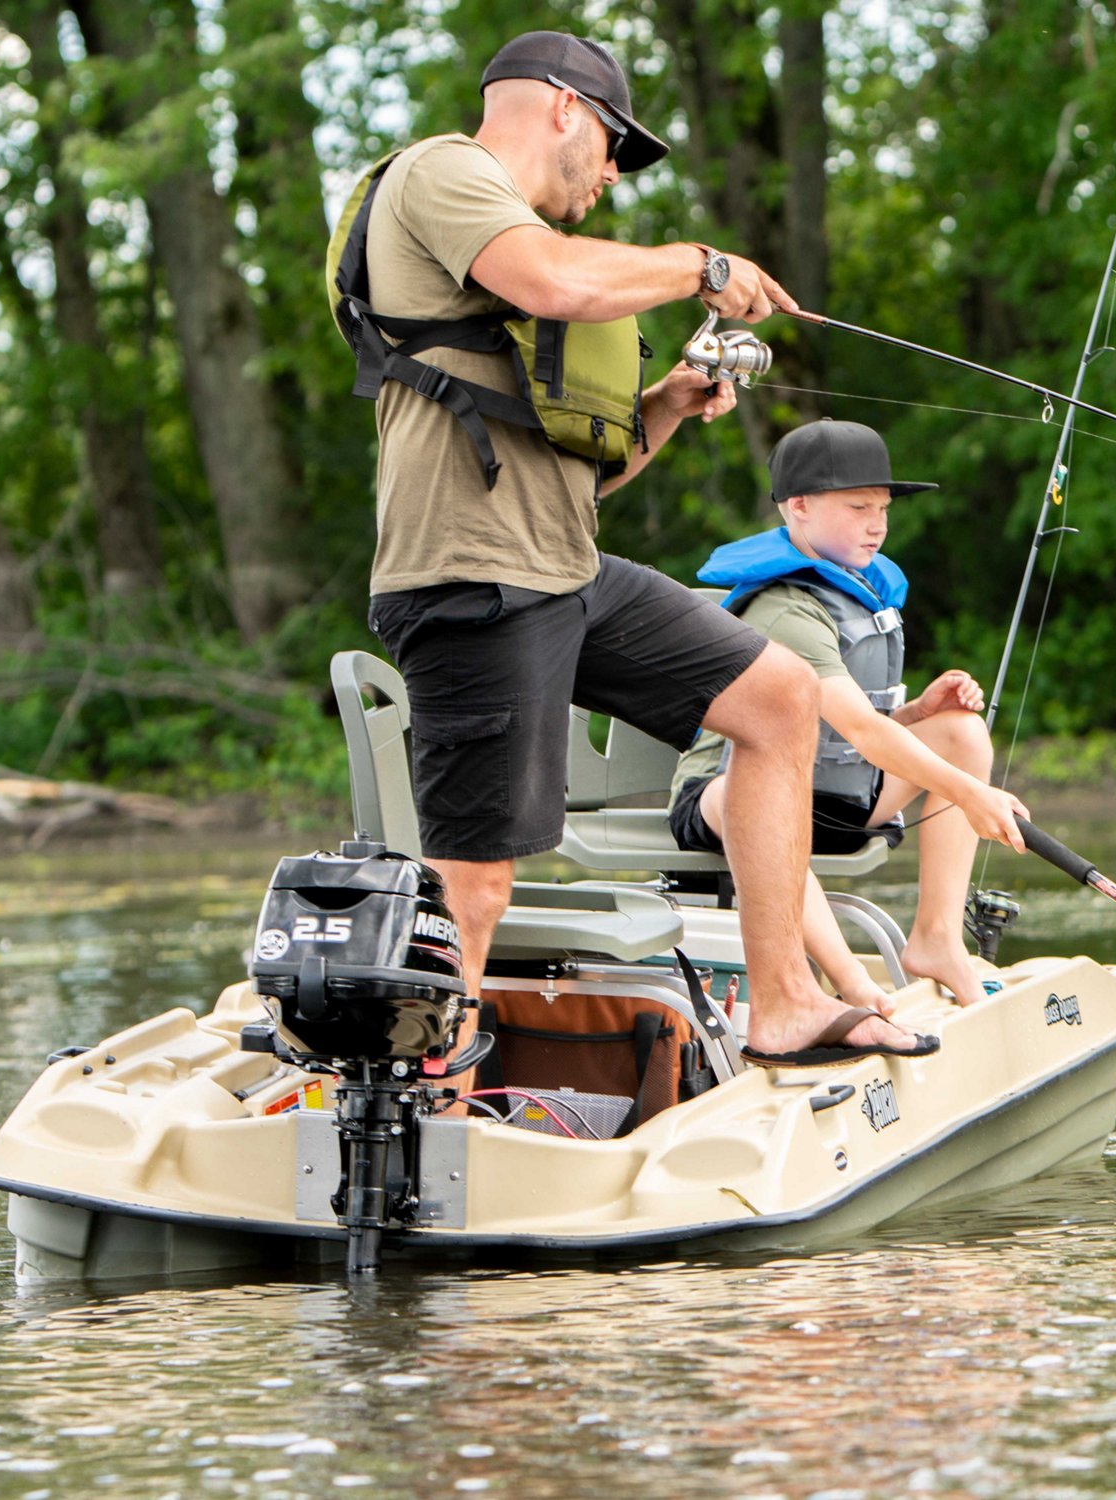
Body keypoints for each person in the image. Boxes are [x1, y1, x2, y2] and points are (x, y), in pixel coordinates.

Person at [360, 30, 933, 1064]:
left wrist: (663, 405)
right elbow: (557, 284)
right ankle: (430, 1100)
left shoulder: (510, 258)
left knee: (777, 699)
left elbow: (585, 476)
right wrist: (699, 267)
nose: (616, 170)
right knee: (478, 885)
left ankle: (787, 1003)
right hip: (471, 582)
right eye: (618, 142)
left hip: (567, 573)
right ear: (563, 108)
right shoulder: (445, 174)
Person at [669, 418, 1030, 1010]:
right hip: (731, 801)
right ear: (800, 507)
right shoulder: (786, 608)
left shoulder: (862, 588)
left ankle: (937, 941)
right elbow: (863, 731)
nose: (878, 523)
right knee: (764, 802)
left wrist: (916, 713)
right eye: (859, 505)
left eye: (884, 507)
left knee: (962, 732)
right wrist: (972, 795)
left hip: (834, 798)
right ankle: (851, 986)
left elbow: (847, 730)